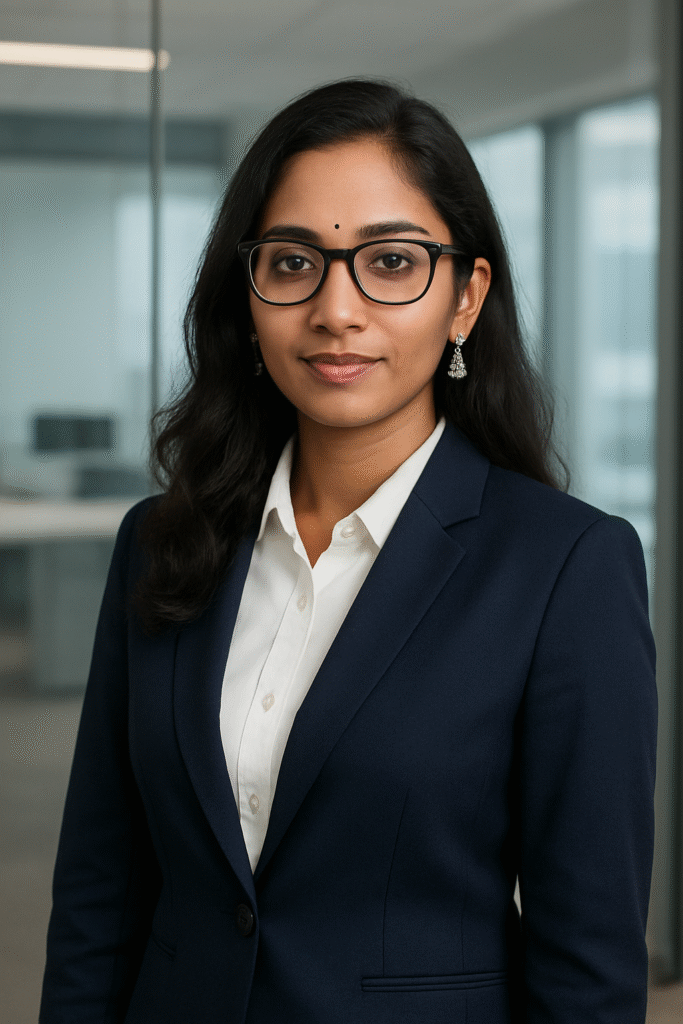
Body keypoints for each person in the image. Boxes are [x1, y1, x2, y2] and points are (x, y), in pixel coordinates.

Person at [40, 79, 656, 1024]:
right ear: (248, 296)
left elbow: (588, 963)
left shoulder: (565, 569)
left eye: (391, 262)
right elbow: (100, 888)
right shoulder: (160, 542)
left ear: (464, 298)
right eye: (293, 263)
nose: (336, 309)